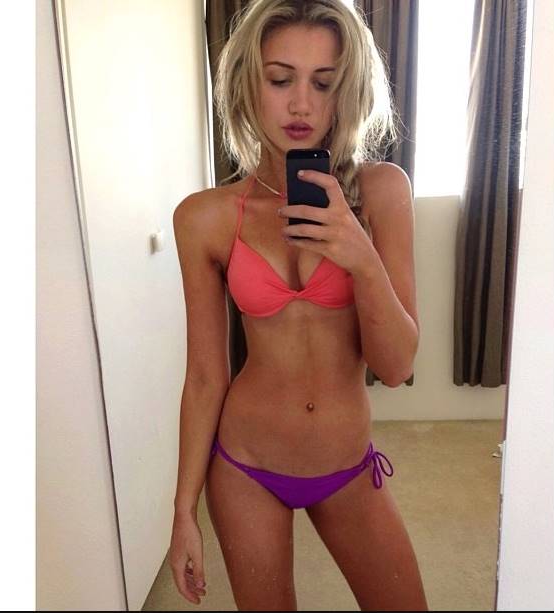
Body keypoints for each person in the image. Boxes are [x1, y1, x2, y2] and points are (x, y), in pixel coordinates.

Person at [170, 0, 426, 609]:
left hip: (346, 462)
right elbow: (205, 375)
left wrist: (360, 255)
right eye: (281, 79)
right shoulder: (205, 217)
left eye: (323, 82)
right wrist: (183, 510)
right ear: (247, 85)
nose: (302, 105)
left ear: (347, 90)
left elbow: (395, 367)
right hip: (245, 466)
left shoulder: (382, 192)